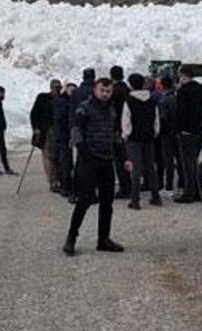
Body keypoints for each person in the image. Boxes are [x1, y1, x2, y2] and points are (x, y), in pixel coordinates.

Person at [65, 78, 134, 256]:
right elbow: (76, 132)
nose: (105, 94)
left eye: (108, 91)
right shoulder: (84, 109)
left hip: (106, 161)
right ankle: (71, 238)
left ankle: (103, 239)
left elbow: (116, 137)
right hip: (88, 161)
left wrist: (124, 158)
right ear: (95, 90)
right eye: (102, 90)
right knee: (84, 200)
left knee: (107, 202)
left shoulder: (112, 111)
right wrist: (85, 153)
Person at [122, 73, 162, 209]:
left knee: (135, 169)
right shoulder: (152, 100)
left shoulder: (129, 100)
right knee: (150, 168)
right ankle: (156, 197)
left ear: (131, 85)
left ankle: (135, 200)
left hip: (134, 138)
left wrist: (126, 135)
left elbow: (126, 121)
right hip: (149, 137)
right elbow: (156, 120)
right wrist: (154, 133)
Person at [175, 65, 202, 203]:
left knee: (188, 164)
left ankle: (189, 193)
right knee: (199, 162)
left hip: (187, 133)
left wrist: (178, 130)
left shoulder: (183, 92)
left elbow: (180, 113)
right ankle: (199, 191)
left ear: (183, 76)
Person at [31, 80, 61, 190]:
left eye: (58, 88)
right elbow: (34, 114)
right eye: (55, 87)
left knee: (59, 156)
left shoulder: (62, 99)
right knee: (49, 157)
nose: (57, 90)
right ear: (51, 88)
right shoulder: (42, 98)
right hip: (46, 131)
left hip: (59, 131)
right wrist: (36, 128)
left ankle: (60, 179)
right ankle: (53, 181)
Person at [109, 65, 132, 198]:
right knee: (127, 157)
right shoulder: (127, 90)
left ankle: (125, 187)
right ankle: (129, 184)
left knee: (118, 159)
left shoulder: (113, 92)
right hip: (128, 128)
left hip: (116, 129)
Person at [156, 76, 180, 193]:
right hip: (177, 131)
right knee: (180, 158)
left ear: (162, 85)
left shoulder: (163, 100)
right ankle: (181, 182)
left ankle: (169, 184)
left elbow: (163, 118)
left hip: (166, 133)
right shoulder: (176, 97)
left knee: (168, 160)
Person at [53, 82, 77, 200]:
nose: (72, 93)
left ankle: (69, 185)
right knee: (65, 162)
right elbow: (61, 118)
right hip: (63, 135)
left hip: (67, 134)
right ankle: (66, 186)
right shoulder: (61, 101)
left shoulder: (67, 100)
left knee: (68, 162)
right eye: (71, 90)